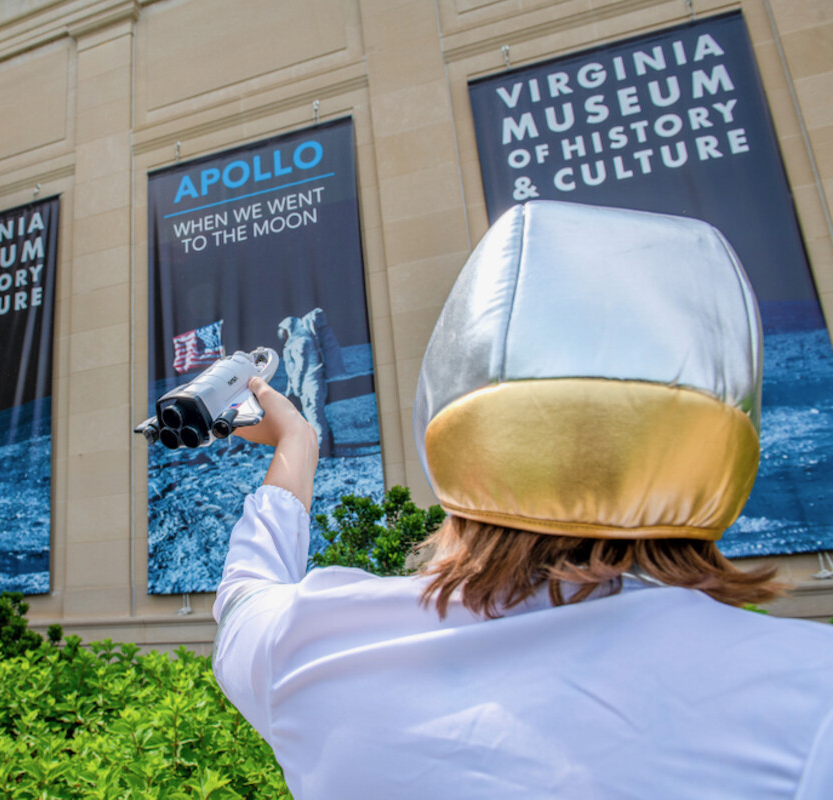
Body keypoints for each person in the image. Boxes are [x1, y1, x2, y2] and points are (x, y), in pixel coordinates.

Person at [213, 201, 833, 799]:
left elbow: (245, 598)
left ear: (453, 424)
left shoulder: (318, 647)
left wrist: (296, 439)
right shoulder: (810, 697)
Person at [278, 310, 336, 457]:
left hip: (310, 385)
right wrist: (289, 391)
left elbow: (300, 369)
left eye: (284, 332)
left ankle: (322, 451)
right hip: (310, 385)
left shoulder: (301, 343)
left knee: (315, 417)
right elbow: (293, 373)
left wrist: (296, 389)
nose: (282, 336)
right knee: (316, 417)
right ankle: (328, 445)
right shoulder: (301, 342)